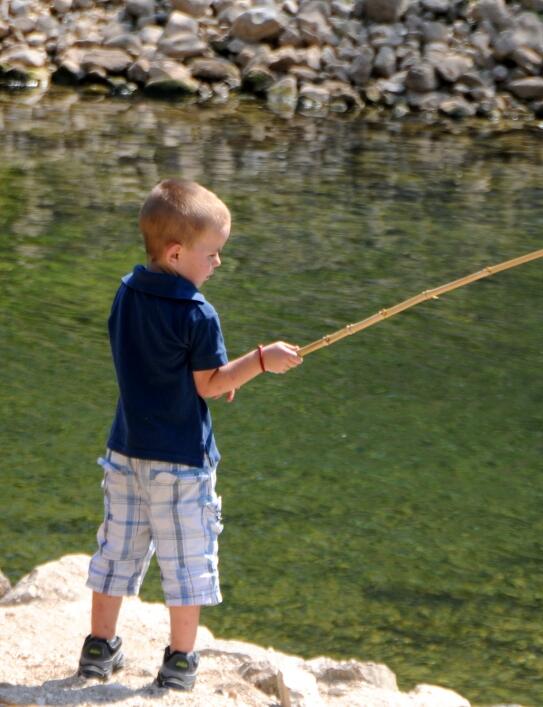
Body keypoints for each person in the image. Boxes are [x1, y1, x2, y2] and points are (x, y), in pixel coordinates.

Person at [77, 179, 302, 690]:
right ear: (177, 253)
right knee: (186, 559)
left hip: (126, 449)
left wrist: (205, 379)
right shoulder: (198, 312)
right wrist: (260, 362)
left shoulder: (127, 291)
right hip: (180, 461)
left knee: (117, 549)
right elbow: (208, 384)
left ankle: (98, 648)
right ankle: (179, 659)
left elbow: (150, 362)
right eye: (213, 253)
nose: (218, 263)